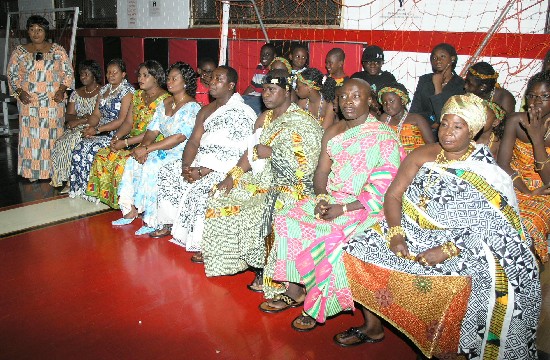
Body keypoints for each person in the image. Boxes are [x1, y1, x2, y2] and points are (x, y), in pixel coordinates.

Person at [339, 94, 540, 359]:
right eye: (444, 124)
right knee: (354, 249)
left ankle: (449, 348)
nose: (447, 133)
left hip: (463, 243)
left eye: (458, 127)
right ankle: (374, 326)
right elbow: (393, 195)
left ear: (473, 131)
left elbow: (492, 225)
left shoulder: (486, 171)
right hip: (411, 230)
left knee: (490, 274)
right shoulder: (423, 153)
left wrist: (446, 249)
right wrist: (397, 235)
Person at [259, 79, 404, 333]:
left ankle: (316, 305)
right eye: (344, 96)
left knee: (328, 234)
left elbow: (385, 187)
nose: (348, 102)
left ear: (370, 101)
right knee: (287, 217)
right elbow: (321, 173)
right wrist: (322, 199)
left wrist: (344, 208)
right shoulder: (334, 131)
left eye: (356, 96)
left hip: (366, 206)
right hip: (332, 199)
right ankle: (295, 290)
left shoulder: (384, 135)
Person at [201, 70, 323, 288]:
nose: (265, 95)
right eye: (264, 89)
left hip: (292, 187)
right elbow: (251, 152)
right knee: (221, 197)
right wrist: (232, 176)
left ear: (286, 92)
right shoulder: (264, 118)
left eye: (272, 90)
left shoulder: (302, 122)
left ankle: (269, 273)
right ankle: (239, 262)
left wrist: (273, 153)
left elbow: (306, 167)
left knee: (263, 209)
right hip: (262, 179)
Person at [151, 66, 256, 255]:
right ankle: (169, 222)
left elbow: (240, 151)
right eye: (212, 78)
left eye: (219, 79)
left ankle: (203, 243)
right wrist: (186, 166)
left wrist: (205, 170)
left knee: (202, 193)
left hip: (224, 169)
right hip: (200, 162)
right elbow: (193, 142)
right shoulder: (205, 110)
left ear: (231, 85)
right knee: (168, 172)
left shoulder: (242, 112)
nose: (212, 82)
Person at [112, 62, 201, 235]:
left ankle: (153, 219)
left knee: (152, 167)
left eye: (174, 79)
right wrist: (143, 148)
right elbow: (152, 130)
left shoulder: (192, 107)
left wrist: (148, 150)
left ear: (185, 82)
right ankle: (130, 210)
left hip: (181, 153)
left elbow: (179, 137)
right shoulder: (165, 103)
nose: (169, 82)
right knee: (132, 161)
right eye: (168, 78)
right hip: (160, 149)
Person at [85, 60, 170, 208]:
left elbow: (155, 132)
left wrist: (125, 143)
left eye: (145, 75)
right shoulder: (137, 95)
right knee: (103, 155)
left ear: (156, 78)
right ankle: (110, 200)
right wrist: (117, 137)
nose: (140, 79)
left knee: (120, 162)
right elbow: (128, 123)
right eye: (139, 75)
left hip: (151, 142)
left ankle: (129, 204)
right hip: (131, 140)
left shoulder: (165, 100)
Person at [7, 15, 74, 181]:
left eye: (40, 30)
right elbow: (12, 75)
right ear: (27, 32)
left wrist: (61, 90)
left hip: (52, 102)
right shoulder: (19, 52)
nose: (36, 33)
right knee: (32, 138)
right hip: (29, 102)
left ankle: (55, 172)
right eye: (32, 29)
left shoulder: (57, 50)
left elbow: (68, 73)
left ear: (46, 31)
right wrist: (19, 92)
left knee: (52, 137)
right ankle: (33, 173)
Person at [497, 70, 550, 263]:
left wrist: (536, 138)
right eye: (532, 96)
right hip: (515, 183)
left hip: (545, 191)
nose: (537, 102)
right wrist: (526, 190)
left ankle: (525, 274)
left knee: (527, 225)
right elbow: (502, 164)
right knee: (495, 217)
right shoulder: (515, 120)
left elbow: (548, 180)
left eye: (544, 97)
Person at [68, 59, 134, 199]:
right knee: (80, 148)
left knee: (92, 150)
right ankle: (81, 188)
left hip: (116, 134)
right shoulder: (104, 89)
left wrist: (98, 130)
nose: (111, 75)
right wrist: (89, 127)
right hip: (99, 130)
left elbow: (122, 120)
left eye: (114, 72)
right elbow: (96, 114)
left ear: (123, 74)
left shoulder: (127, 91)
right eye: (108, 72)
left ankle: (95, 192)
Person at [50, 60, 102, 192]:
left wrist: (82, 121)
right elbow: (69, 116)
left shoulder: (102, 92)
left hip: (93, 127)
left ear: (94, 75)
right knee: (61, 142)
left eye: (86, 74)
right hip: (77, 125)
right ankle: (61, 177)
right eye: (81, 75)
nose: (82, 77)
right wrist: (81, 118)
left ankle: (71, 181)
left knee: (73, 141)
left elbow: (97, 117)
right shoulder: (76, 93)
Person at [410, 43, 465, 134]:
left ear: (452, 59)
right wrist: (431, 124)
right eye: (434, 58)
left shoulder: (461, 85)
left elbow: (444, 117)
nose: (438, 60)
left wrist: (437, 86)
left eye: (442, 56)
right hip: (421, 131)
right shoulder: (424, 80)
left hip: (447, 134)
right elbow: (414, 111)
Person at [378, 83, 435, 153]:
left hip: (414, 160)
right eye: (384, 103)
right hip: (391, 160)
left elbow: (431, 144)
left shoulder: (417, 119)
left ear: (402, 101)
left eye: (391, 101)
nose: (388, 106)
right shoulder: (384, 119)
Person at [243, 43, 276, 115]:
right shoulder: (259, 66)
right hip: (252, 96)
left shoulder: (274, 70)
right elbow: (252, 86)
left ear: (274, 56)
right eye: (262, 54)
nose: (264, 57)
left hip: (261, 98)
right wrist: (242, 97)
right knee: (238, 102)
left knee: (247, 109)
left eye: (268, 54)